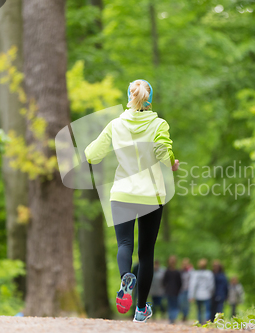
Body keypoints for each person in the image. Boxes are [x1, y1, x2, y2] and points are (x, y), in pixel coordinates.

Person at [85, 79, 179, 323]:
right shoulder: (159, 124)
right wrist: (172, 163)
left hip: (122, 194)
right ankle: (140, 310)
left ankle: (126, 276)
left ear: (130, 97)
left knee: (124, 244)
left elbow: (92, 156)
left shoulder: (115, 124)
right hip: (151, 195)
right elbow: (162, 152)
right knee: (146, 253)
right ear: (150, 99)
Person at [188, 258, 214, 324]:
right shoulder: (209, 273)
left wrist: (191, 295)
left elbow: (193, 285)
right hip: (207, 295)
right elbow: (211, 285)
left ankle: (199, 323)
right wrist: (211, 293)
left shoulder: (196, 274)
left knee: (199, 310)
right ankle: (207, 322)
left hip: (198, 295)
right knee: (207, 310)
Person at [163, 255, 182, 324]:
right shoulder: (177, 272)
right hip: (175, 291)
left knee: (171, 305)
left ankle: (171, 318)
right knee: (174, 305)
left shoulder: (167, 271)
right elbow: (180, 283)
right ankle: (173, 317)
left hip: (169, 291)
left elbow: (164, 282)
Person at [179, 258, 193, 322]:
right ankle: (182, 313)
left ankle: (185, 315)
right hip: (181, 289)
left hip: (188, 290)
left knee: (187, 304)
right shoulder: (180, 271)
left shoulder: (190, 271)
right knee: (181, 303)